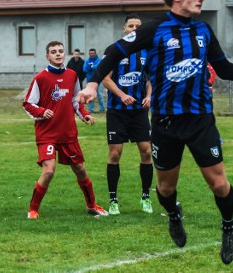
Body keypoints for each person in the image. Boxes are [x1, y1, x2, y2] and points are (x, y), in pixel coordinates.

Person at [78, 0, 233, 265]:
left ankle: (228, 227)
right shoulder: (154, 28)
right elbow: (114, 52)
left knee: (219, 184)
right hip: (164, 123)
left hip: (200, 120)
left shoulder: (203, 31)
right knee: (164, 189)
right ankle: (174, 215)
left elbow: (224, 68)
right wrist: (93, 84)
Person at [23, 41, 108, 219]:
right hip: (47, 134)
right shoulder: (40, 78)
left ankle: (92, 205)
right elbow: (28, 103)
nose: (58, 54)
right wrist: (41, 111)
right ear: (48, 56)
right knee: (49, 171)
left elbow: (75, 100)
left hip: (68, 133)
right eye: (53, 52)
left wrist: (83, 114)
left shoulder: (72, 75)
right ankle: (33, 209)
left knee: (81, 170)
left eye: (61, 51)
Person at [101, 14, 154, 215]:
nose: (134, 29)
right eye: (130, 26)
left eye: (137, 26)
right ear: (124, 29)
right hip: (117, 111)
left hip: (139, 111)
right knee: (115, 153)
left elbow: (150, 79)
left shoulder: (147, 52)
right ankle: (113, 200)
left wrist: (149, 96)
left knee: (147, 152)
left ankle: (145, 197)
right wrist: (122, 95)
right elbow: (105, 79)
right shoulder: (114, 50)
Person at [83, 48, 106, 113]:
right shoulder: (87, 61)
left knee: (100, 95)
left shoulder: (99, 60)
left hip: (98, 80)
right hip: (90, 81)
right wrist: (92, 67)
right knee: (90, 96)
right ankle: (91, 110)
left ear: (95, 53)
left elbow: (98, 67)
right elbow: (84, 69)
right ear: (89, 54)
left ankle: (102, 109)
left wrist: (91, 67)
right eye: (90, 53)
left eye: (93, 53)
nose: (92, 54)